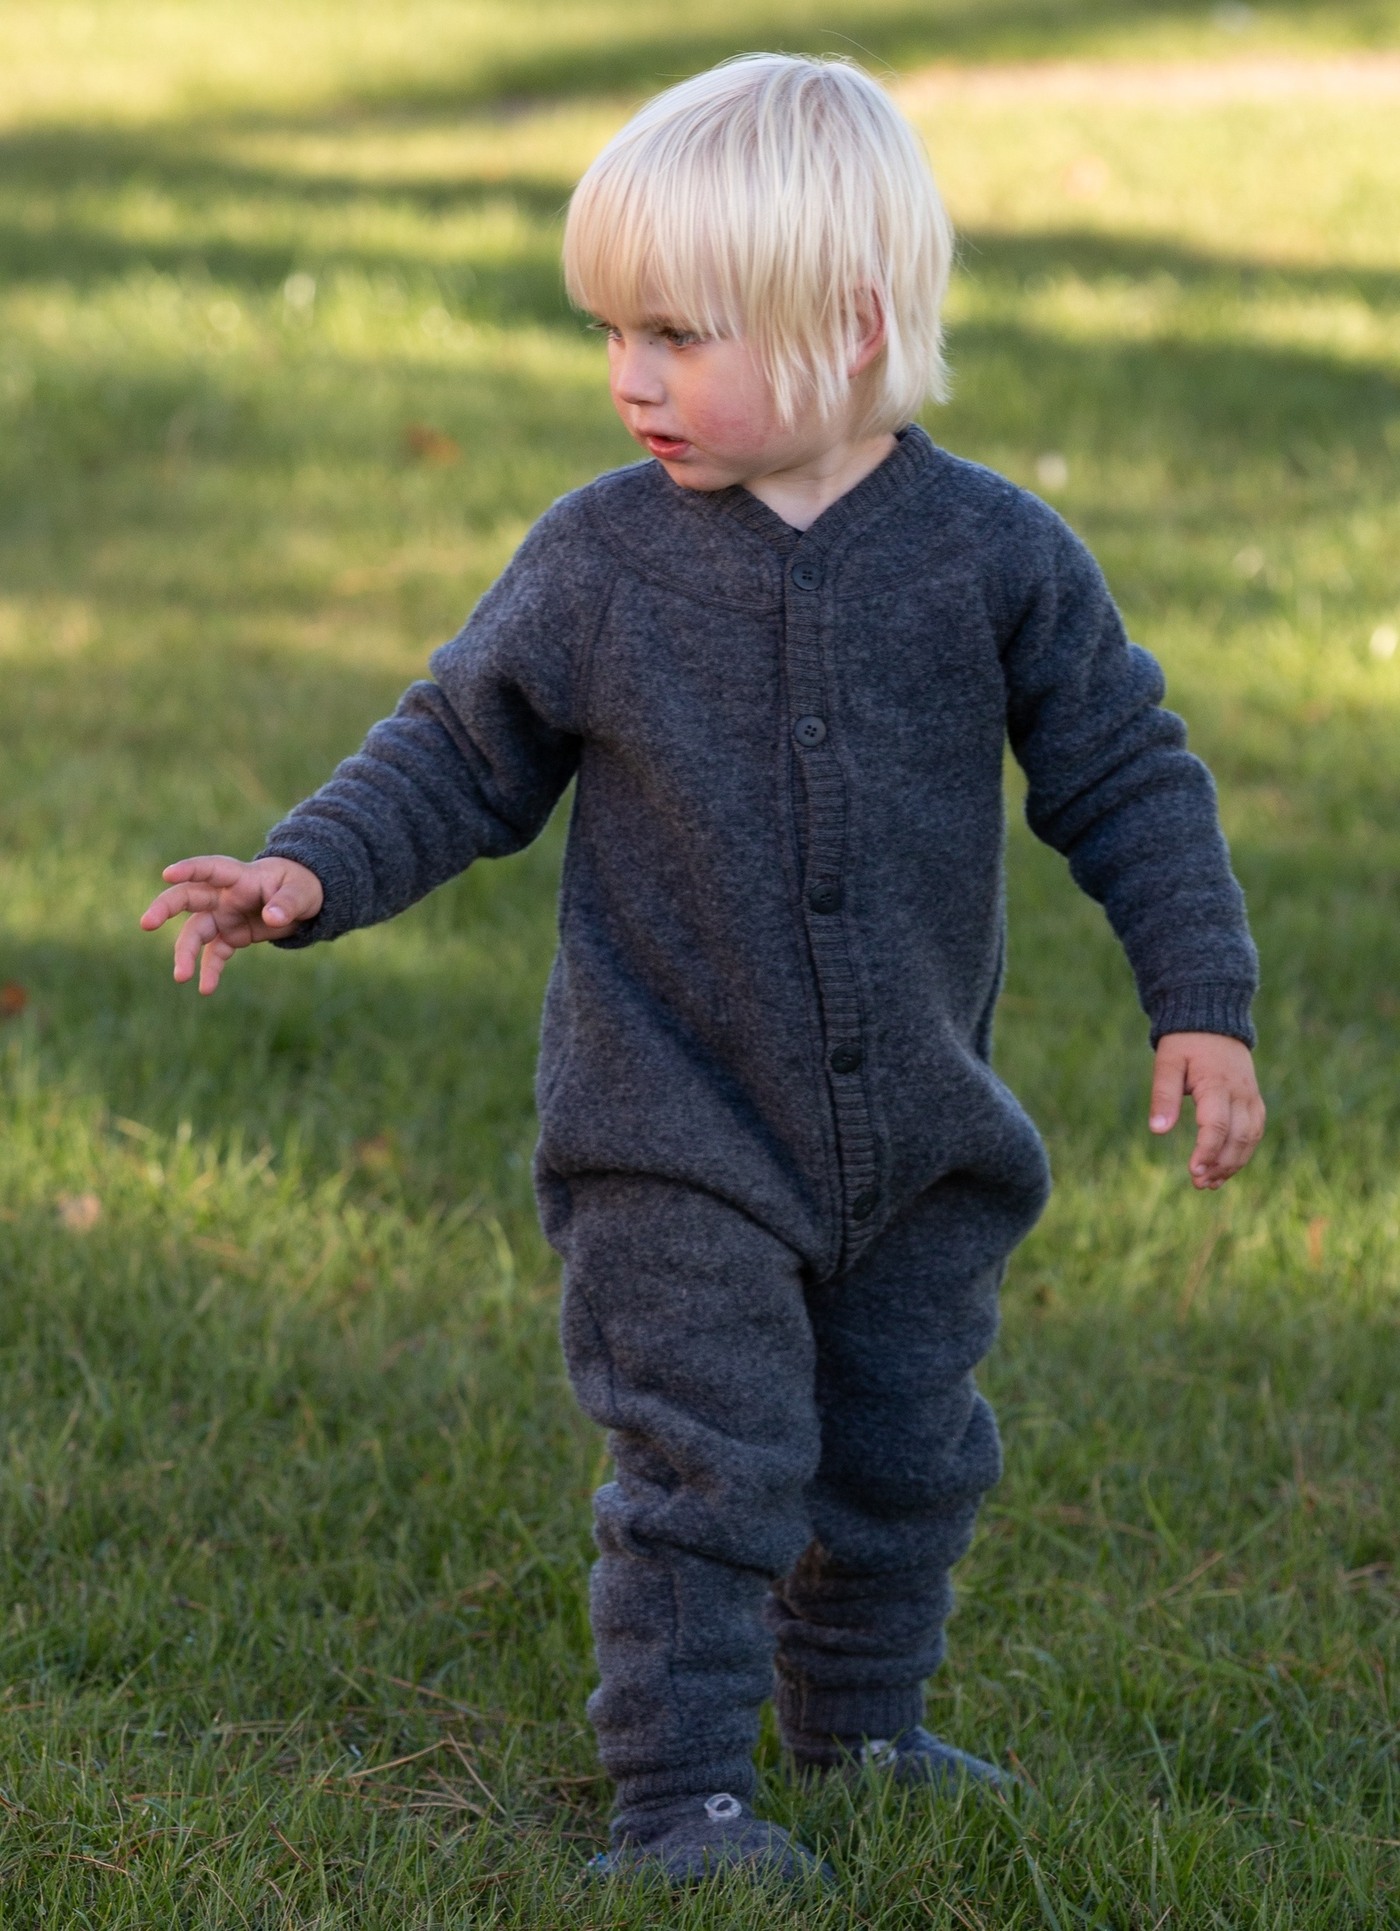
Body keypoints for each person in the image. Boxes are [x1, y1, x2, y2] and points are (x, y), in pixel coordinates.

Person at [141, 54, 1265, 1888]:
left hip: (920, 1136)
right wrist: (309, 868)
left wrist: (1200, 996)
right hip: (668, 1127)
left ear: (853, 323)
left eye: (678, 332)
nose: (631, 377)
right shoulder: (600, 562)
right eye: (612, 331)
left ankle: (861, 1728)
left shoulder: (994, 559)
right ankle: (679, 1802)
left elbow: (1129, 773)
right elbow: (458, 748)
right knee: (709, 1463)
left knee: (905, 1455)